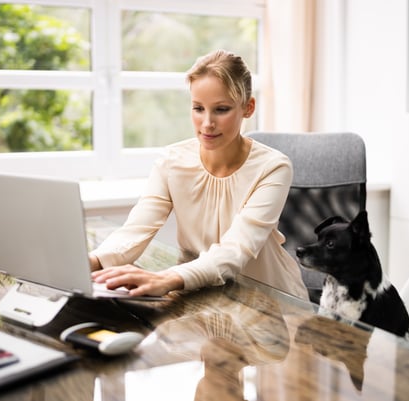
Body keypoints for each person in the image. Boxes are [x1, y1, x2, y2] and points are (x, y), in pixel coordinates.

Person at [91, 49, 308, 300]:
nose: (207, 123)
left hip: (265, 302)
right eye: (198, 108)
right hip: (198, 295)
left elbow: (234, 250)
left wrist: (167, 277)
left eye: (221, 109)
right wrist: (93, 261)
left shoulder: (273, 167)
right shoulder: (171, 162)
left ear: (248, 108)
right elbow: (135, 232)